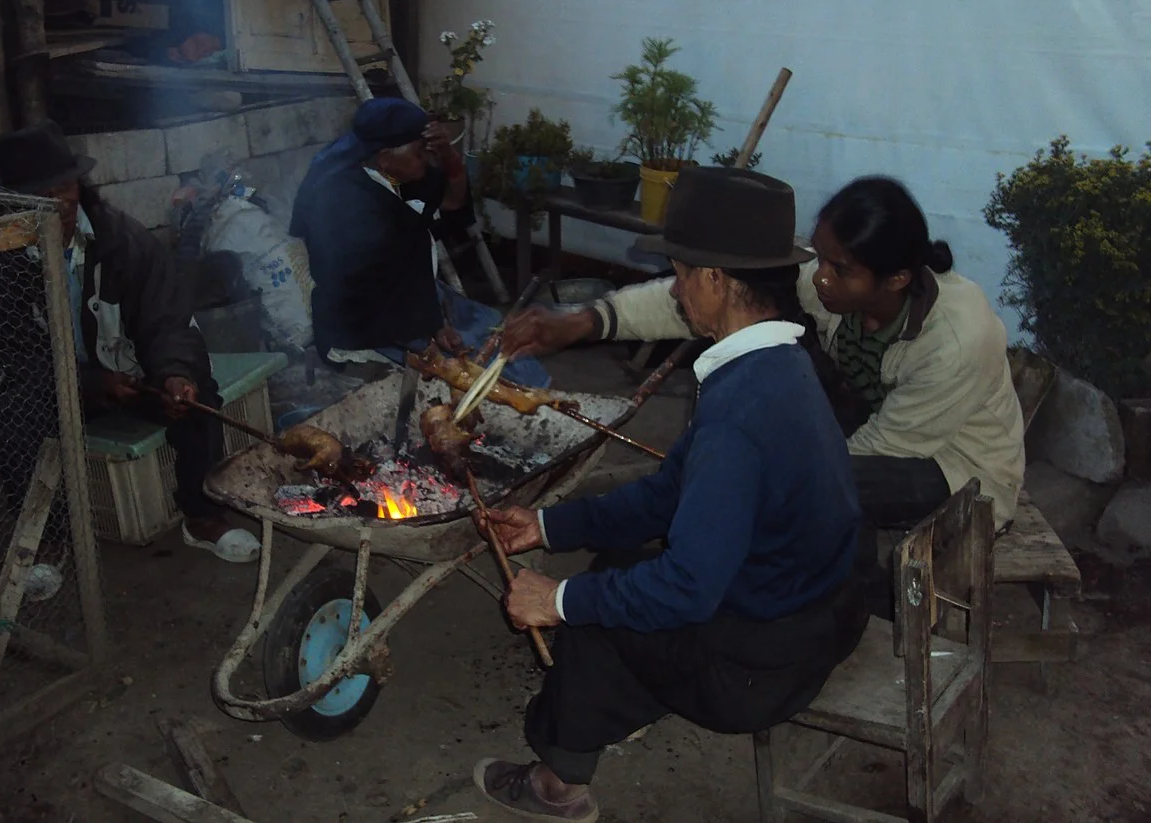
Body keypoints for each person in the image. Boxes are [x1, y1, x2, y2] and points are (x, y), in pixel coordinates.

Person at [470, 167, 867, 823]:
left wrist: (556, 599)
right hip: (820, 613)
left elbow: (687, 587)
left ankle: (556, 788)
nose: (679, 292)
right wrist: (547, 525)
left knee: (595, 615)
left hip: (767, 666)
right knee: (616, 574)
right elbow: (668, 494)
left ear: (716, 278)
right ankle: (622, 703)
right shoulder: (781, 364)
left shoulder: (741, 411)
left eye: (682, 274)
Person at [502, 176, 1026, 611]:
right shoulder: (832, 287)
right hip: (869, 423)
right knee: (740, 466)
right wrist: (588, 321)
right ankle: (705, 550)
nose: (818, 278)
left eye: (838, 269)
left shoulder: (958, 340)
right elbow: (701, 292)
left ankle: (823, 595)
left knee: (772, 490)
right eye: (818, 257)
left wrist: (738, 482)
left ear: (896, 279)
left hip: (950, 470)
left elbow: (862, 458)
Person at [0, 119, 261, 563]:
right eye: (40, 195)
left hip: (132, 374)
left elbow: (167, 319)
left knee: (197, 395)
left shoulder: (123, 240)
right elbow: (12, 353)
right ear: (13, 201)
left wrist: (173, 373)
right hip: (57, 384)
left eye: (64, 188)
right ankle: (49, 540)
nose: (57, 204)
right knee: (16, 418)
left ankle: (202, 516)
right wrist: (92, 383)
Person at [289, 97, 549, 387]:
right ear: (386, 156)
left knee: (495, 331)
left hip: (411, 295)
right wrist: (430, 330)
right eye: (419, 153)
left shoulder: (384, 170)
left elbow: (452, 201)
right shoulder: (344, 201)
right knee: (481, 374)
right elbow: (370, 288)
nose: (426, 160)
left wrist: (448, 155)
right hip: (370, 320)